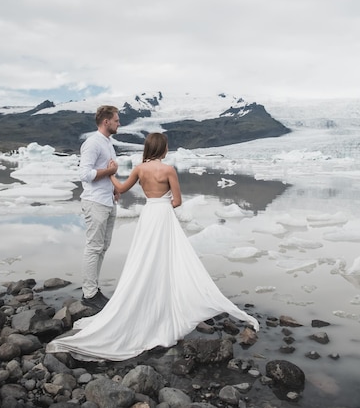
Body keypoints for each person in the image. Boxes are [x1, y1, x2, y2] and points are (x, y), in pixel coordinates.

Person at [47, 132, 258, 361]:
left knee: (144, 258)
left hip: (148, 214)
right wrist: (164, 201)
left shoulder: (139, 169)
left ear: (148, 148)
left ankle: (142, 300)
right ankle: (165, 301)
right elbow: (177, 201)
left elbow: (122, 187)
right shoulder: (168, 170)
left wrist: (111, 174)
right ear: (163, 149)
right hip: (163, 214)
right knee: (166, 257)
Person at [79, 105, 120, 312]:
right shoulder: (93, 143)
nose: (118, 123)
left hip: (107, 200)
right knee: (94, 247)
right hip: (95, 202)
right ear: (106, 122)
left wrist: (114, 188)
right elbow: (85, 174)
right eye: (116, 120)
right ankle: (89, 294)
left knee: (103, 247)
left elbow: (106, 172)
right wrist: (110, 171)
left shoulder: (108, 143)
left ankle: (93, 289)